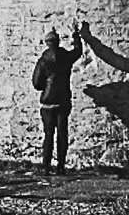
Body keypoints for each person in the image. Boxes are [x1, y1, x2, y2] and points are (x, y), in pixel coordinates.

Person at [31, 22, 87, 173]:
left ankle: (46, 166)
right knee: (62, 133)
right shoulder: (66, 57)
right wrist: (76, 35)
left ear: (47, 43)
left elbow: (36, 83)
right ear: (58, 42)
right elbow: (78, 51)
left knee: (48, 135)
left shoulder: (43, 61)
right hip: (63, 101)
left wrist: (46, 85)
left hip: (48, 103)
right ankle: (61, 166)